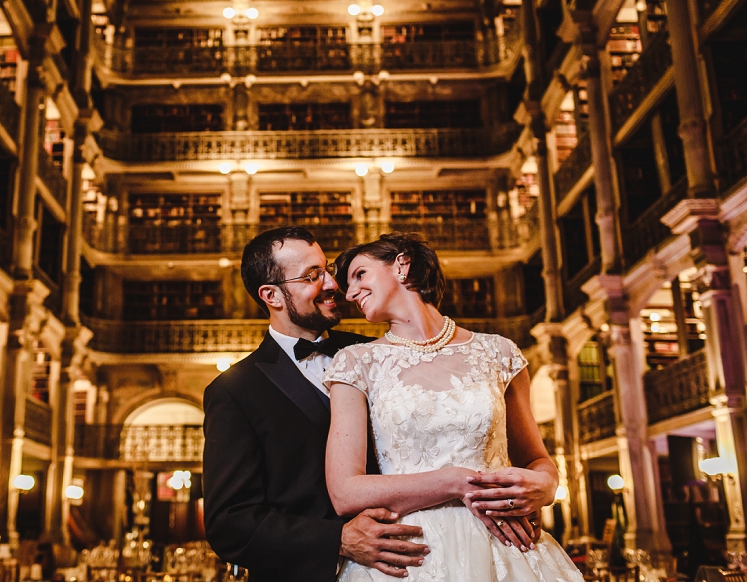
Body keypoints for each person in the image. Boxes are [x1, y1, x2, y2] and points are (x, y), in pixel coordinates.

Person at [323, 233, 584, 581]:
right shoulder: (355, 363)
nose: (351, 293)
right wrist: (456, 482)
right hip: (410, 552)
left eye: (359, 275)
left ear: (402, 265)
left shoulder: (500, 353)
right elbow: (345, 492)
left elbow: (537, 459)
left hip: (507, 545)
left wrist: (546, 486)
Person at [202, 227, 430, 581]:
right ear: (272, 296)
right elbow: (230, 523)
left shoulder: (379, 354)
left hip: (415, 562)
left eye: (327, 269)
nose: (332, 284)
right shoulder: (234, 391)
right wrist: (338, 540)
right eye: (312, 276)